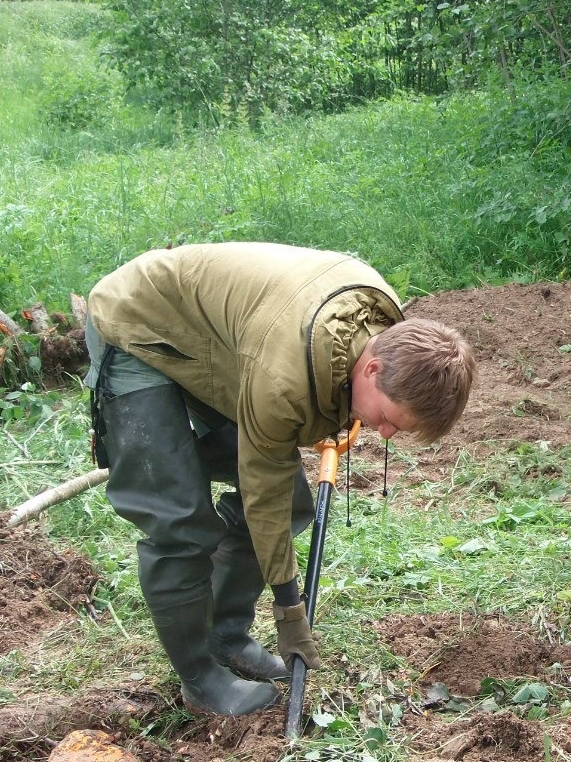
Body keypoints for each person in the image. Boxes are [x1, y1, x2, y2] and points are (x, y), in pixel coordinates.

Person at [85, 243, 475, 715]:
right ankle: (199, 678)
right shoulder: (284, 376)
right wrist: (291, 611)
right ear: (371, 370)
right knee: (179, 519)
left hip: (224, 342)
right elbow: (261, 488)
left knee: (291, 504)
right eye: (390, 419)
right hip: (141, 324)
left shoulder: (386, 332)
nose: (387, 434)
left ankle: (226, 636)